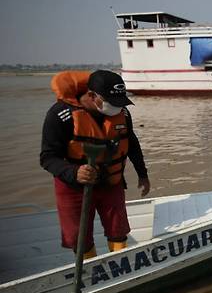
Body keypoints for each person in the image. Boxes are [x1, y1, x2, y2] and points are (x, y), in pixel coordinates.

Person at [40, 70, 150, 259]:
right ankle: (90, 268)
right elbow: (48, 158)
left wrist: (142, 174)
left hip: (110, 181)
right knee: (79, 236)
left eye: (121, 102)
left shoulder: (122, 113)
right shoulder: (60, 115)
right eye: (112, 103)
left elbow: (131, 143)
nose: (118, 107)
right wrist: (74, 172)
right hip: (74, 186)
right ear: (92, 96)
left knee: (118, 228)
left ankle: (120, 264)